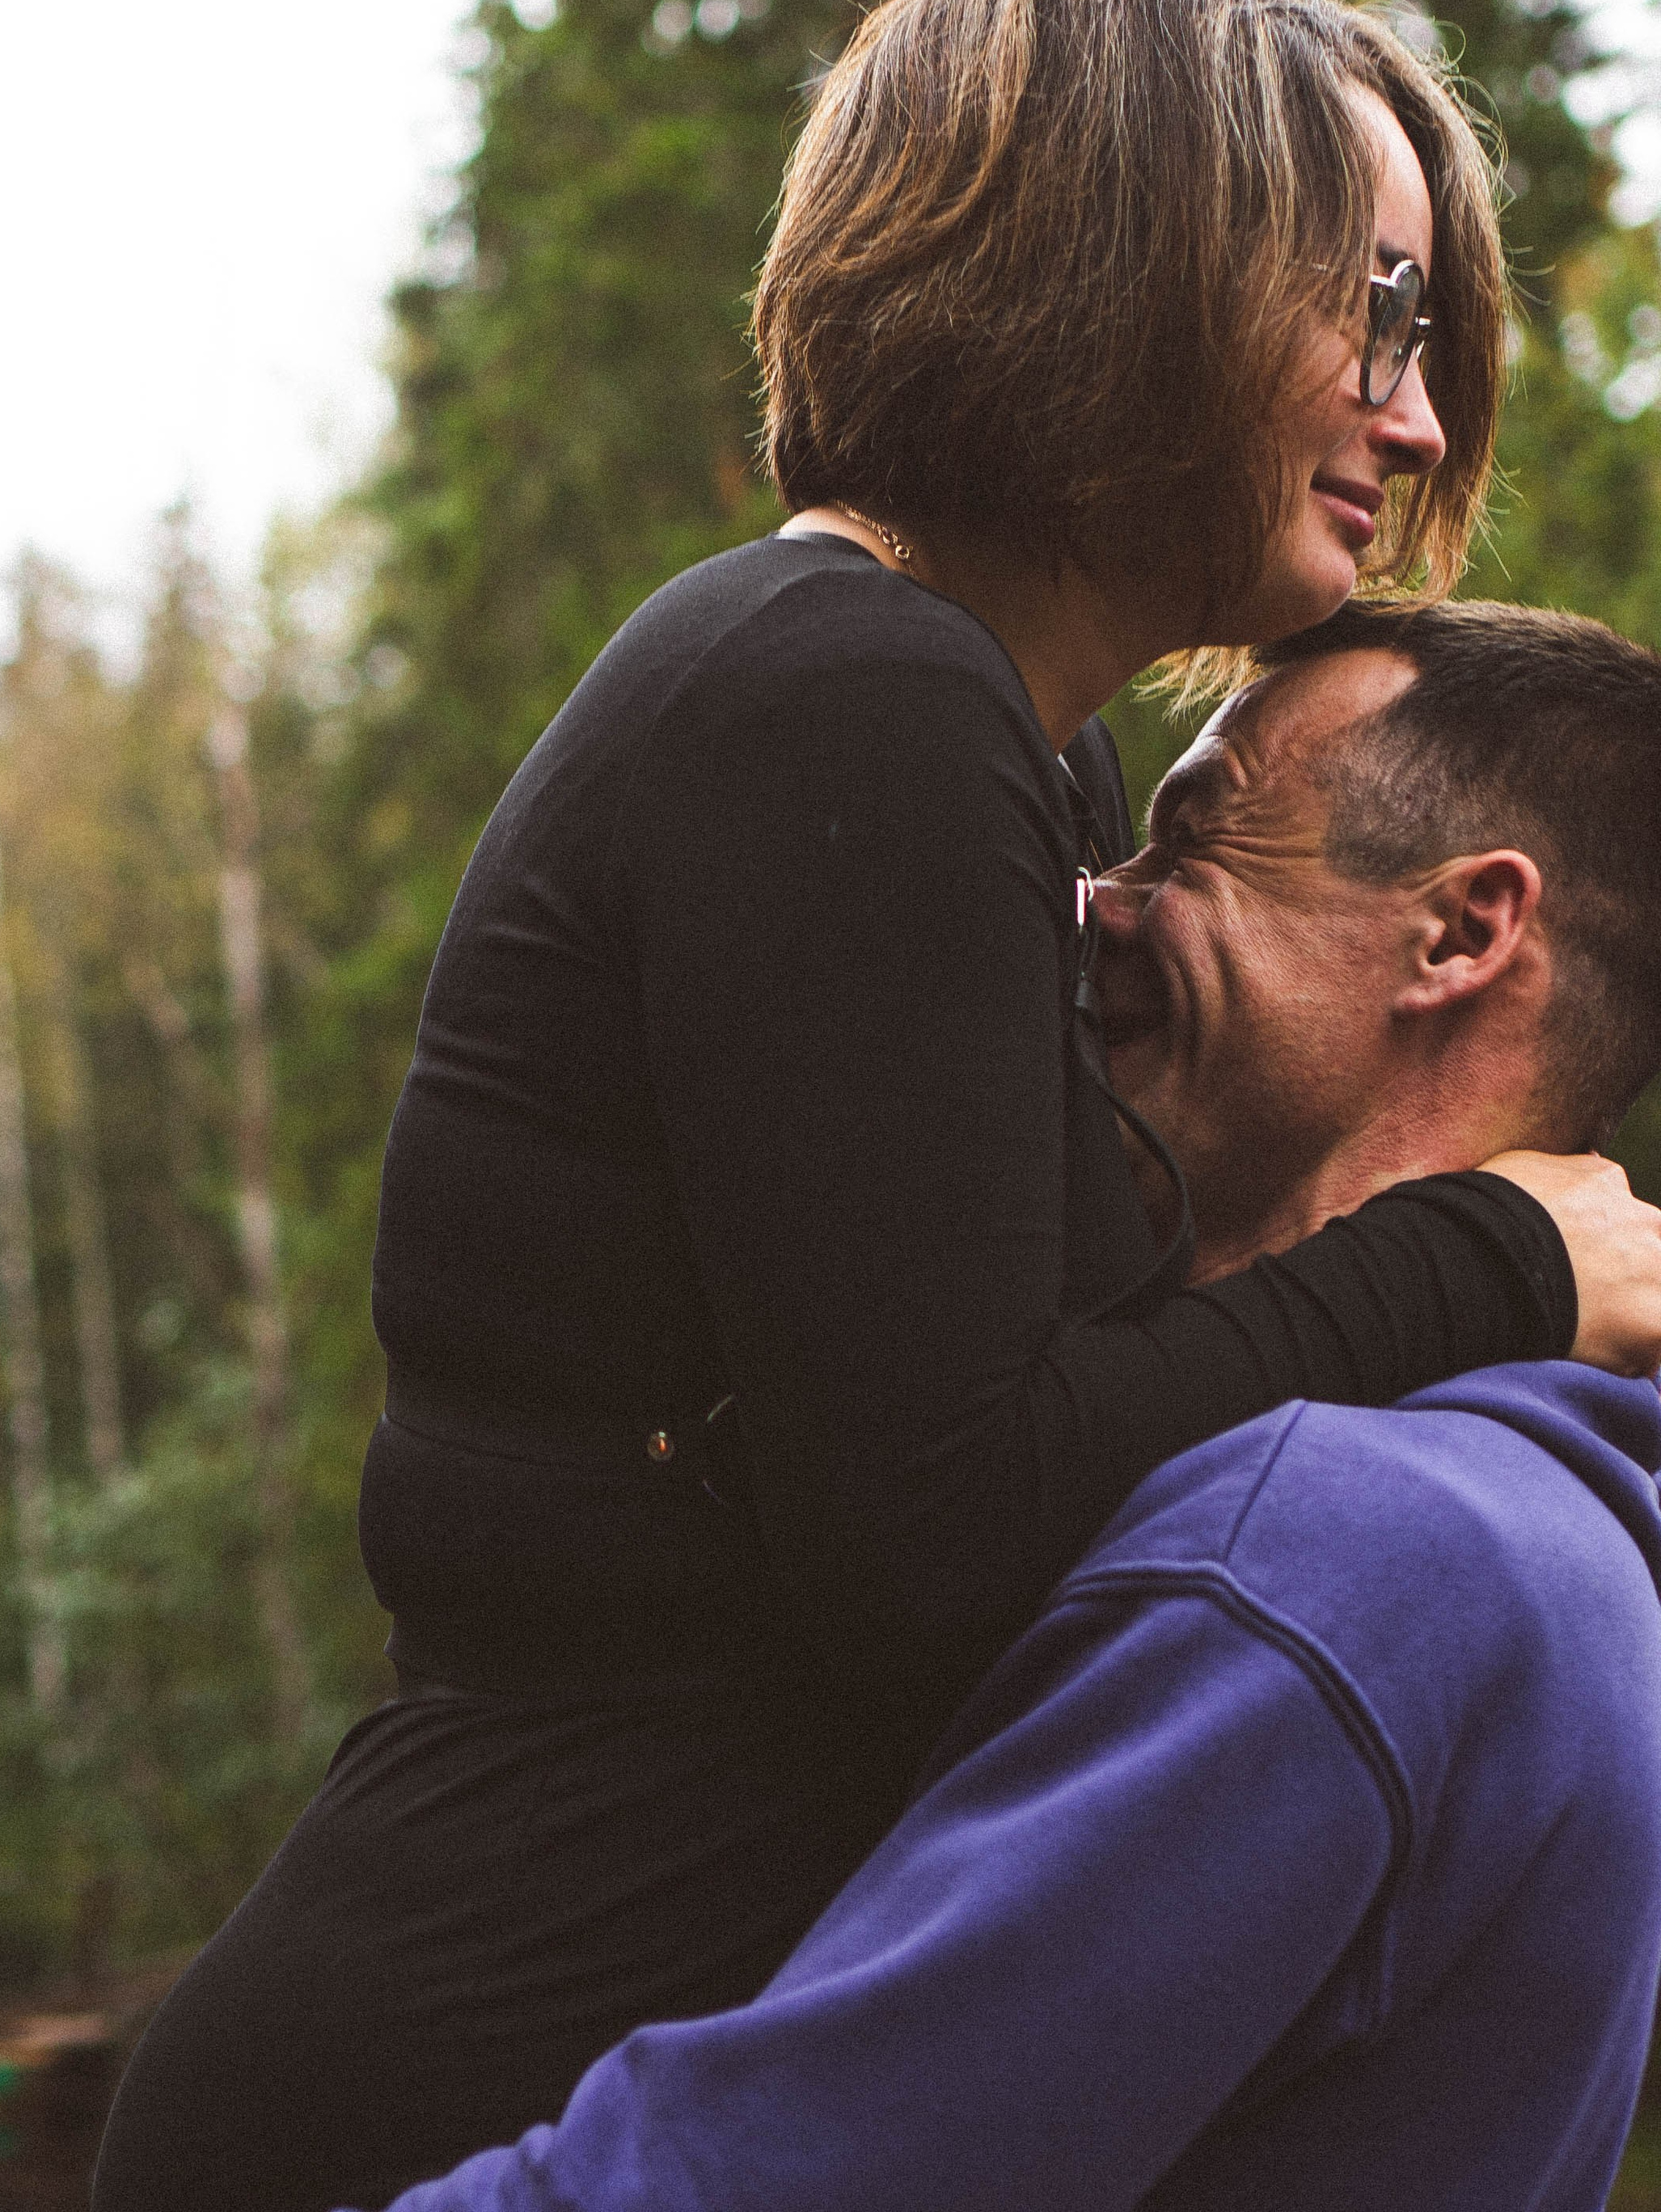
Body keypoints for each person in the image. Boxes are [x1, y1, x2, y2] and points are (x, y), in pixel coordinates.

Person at [93, 0, 1661, 2212]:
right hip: (444, 2105)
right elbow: (940, 1537)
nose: (1416, 415)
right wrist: (1485, 1263)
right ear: (1139, 254)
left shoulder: (996, 749)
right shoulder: (851, 696)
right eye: (1375, 307)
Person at [339, 599, 1661, 2212]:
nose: (1095, 905)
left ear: (1458, 935)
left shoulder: (1328, 1560)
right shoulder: (1553, 1521)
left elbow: (750, 2185)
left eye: (1197, 839)